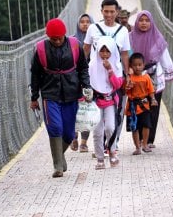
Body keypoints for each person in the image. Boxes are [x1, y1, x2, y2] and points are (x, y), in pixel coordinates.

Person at [30, 18, 93, 178]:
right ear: (48, 37)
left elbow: (83, 68)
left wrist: (86, 86)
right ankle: (58, 166)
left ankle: (60, 155)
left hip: (72, 93)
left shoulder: (75, 45)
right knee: (55, 127)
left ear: (64, 34)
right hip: (50, 94)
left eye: (60, 38)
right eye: (53, 39)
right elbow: (35, 75)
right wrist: (34, 97)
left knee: (70, 133)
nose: (57, 41)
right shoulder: (40, 49)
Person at [129, 11, 173, 148]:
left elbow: (165, 58)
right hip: (136, 79)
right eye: (141, 20)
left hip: (154, 79)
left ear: (151, 22)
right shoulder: (129, 38)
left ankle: (149, 140)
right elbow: (125, 56)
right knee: (138, 108)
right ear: (136, 22)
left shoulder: (157, 39)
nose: (143, 23)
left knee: (153, 108)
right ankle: (140, 140)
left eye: (146, 20)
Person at [83, 0, 132, 154]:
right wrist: (81, 72)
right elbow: (85, 50)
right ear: (101, 11)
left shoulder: (123, 31)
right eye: (106, 11)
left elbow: (124, 54)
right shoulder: (93, 28)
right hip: (95, 79)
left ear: (117, 12)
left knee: (115, 112)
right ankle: (100, 146)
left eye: (112, 11)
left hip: (114, 79)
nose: (109, 15)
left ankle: (111, 145)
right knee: (97, 113)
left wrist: (127, 74)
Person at [89, 36, 125, 169]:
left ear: (112, 52)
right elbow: (87, 83)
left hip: (110, 101)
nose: (104, 54)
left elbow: (117, 85)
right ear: (97, 51)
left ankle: (112, 153)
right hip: (96, 102)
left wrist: (110, 70)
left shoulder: (116, 64)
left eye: (107, 51)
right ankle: (99, 159)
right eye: (102, 51)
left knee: (110, 127)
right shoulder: (92, 65)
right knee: (97, 132)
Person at [124, 52, 158, 155]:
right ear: (130, 66)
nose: (137, 67)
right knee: (135, 127)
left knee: (146, 125)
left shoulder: (146, 77)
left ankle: (145, 144)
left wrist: (153, 99)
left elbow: (150, 90)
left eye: (140, 65)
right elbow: (126, 92)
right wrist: (128, 87)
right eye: (135, 65)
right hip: (133, 107)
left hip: (144, 105)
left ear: (143, 65)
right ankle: (137, 147)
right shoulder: (130, 78)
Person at [71, 13, 93, 152]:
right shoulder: (71, 41)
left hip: (91, 80)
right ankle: (74, 136)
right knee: (73, 110)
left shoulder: (96, 40)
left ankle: (84, 142)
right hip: (74, 81)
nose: (85, 24)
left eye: (88, 22)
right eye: (82, 22)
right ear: (78, 24)